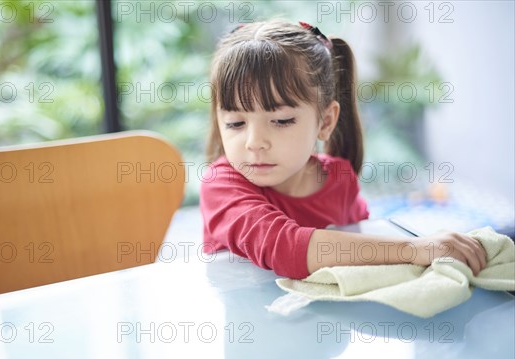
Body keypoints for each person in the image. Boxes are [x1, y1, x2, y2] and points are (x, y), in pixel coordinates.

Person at [200, 19, 487, 279]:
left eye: (281, 120)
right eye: (236, 123)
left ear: (325, 122)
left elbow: (366, 248)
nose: (254, 142)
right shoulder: (221, 185)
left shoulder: (339, 178)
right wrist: (417, 248)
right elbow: (285, 248)